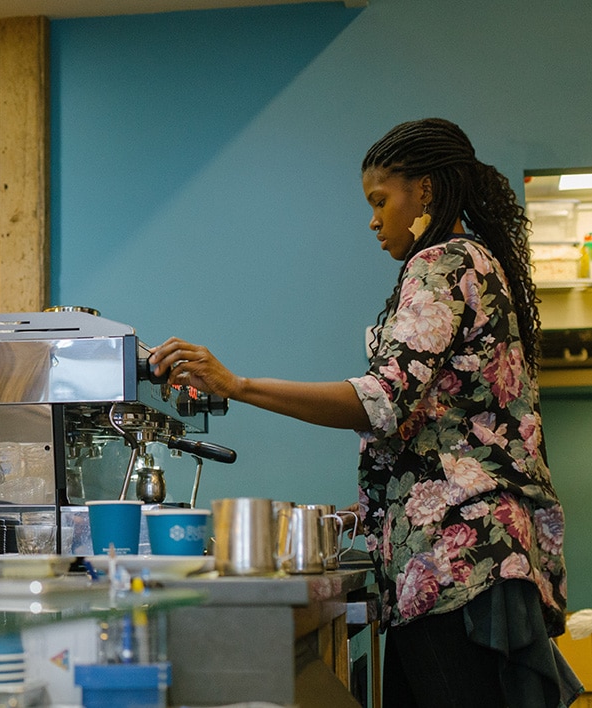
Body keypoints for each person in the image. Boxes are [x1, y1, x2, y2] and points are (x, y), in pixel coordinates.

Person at [150, 118, 579, 707]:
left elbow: (380, 399)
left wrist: (237, 383)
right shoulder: (475, 263)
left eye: (381, 201)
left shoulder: (444, 263)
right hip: (476, 554)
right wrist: (379, 509)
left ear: (424, 190)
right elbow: (448, 428)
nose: (373, 221)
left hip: (458, 562)